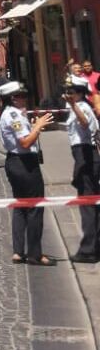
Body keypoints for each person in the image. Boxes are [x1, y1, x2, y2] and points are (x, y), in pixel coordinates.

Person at [0, 81, 55, 265]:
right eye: (21, 96)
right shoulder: (13, 115)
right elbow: (25, 143)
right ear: (13, 98)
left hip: (14, 163)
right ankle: (35, 254)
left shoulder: (10, 114)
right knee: (34, 208)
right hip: (25, 164)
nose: (25, 99)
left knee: (20, 207)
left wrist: (33, 127)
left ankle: (18, 251)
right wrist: (37, 126)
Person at [64, 76, 100, 263]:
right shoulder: (78, 106)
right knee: (91, 201)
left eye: (71, 92)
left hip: (85, 155)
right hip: (83, 155)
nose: (68, 95)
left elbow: (85, 123)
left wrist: (74, 106)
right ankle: (95, 246)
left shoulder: (82, 107)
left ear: (79, 93)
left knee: (87, 203)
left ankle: (88, 251)